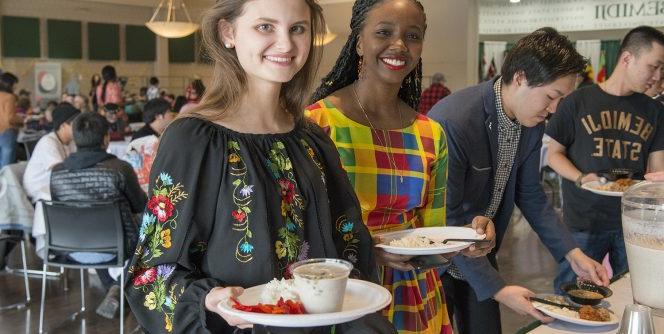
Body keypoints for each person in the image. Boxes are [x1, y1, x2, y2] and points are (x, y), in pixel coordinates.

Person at [124, 0, 394, 333]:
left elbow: (343, 244)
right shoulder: (192, 140)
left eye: (297, 29)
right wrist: (208, 300)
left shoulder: (312, 139)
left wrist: (380, 249)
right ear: (228, 32)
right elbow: (149, 276)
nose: (285, 44)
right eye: (265, 26)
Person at [308, 1, 495, 332]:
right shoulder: (318, 124)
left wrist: (468, 239)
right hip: (344, 296)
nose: (399, 46)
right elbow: (303, 235)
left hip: (415, 296)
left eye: (412, 35)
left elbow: (432, 234)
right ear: (359, 41)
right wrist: (370, 248)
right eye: (384, 32)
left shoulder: (429, 133)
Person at [427, 28, 610, 334]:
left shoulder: (530, 121)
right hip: (437, 258)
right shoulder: (456, 121)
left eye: (561, 100)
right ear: (521, 77)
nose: (553, 110)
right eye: (552, 97)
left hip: (479, 252)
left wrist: (573, 253)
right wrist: (499, 289)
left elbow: (531, 195)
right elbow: (448, 216)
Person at [546, 26, 664, 292]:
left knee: (634, 292)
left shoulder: (655, 111)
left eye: (662, 69)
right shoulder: (577, 101)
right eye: (652, 66)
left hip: (633, 222)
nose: (657, 76)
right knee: (573, 293)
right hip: (583, 220)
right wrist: (580, 177)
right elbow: (554, 155)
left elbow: (657, 169)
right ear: (626, 59)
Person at [50, 112, 147, 319]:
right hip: (117, 249)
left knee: (104, 236)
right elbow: (140, 206)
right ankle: (119, 288)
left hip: (69, 249)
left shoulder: (57, 173)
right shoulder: (120, 169)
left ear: (75, 138)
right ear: (106, 138)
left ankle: (114, 289)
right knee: (152, 231)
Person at [24, 104, 81, 253]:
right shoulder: (48, 142)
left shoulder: (70, 142)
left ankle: (76, 244)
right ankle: (64, 245)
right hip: (37, 192)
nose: (79, 128)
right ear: (63, 125)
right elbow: (60, 171)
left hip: (54, 187)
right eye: (76, 124)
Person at [125, 98, 176, 192]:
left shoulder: (160, 134)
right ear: (159, 116)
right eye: (169, 111)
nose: (172, 115)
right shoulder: (144, 139)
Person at [0, 72, 23, 168]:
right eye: (14, 84)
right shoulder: (10, 97)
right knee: (6, 166)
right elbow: (9, 118)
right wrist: (21, 120)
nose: (15, 87)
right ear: (9, 84)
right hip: (6, 132)